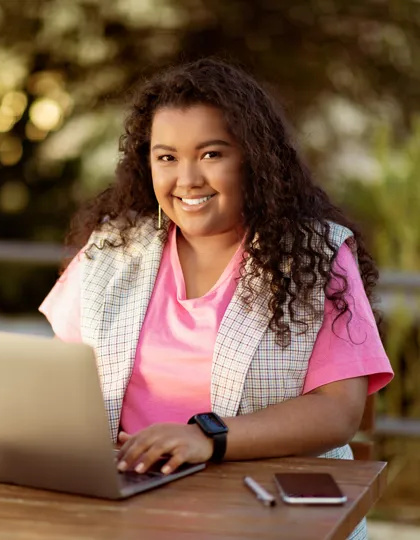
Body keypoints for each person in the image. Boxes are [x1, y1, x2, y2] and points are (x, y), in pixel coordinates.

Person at [39, 58, 393, 539]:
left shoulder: (316, 255)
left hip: (264, 512)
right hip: (125, 509)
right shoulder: (113, 248)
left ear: (252, 157)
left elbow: (338, 412)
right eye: (166, 157)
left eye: (210, 154)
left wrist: (207, 436)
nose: (187, 179)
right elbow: (64, 378)